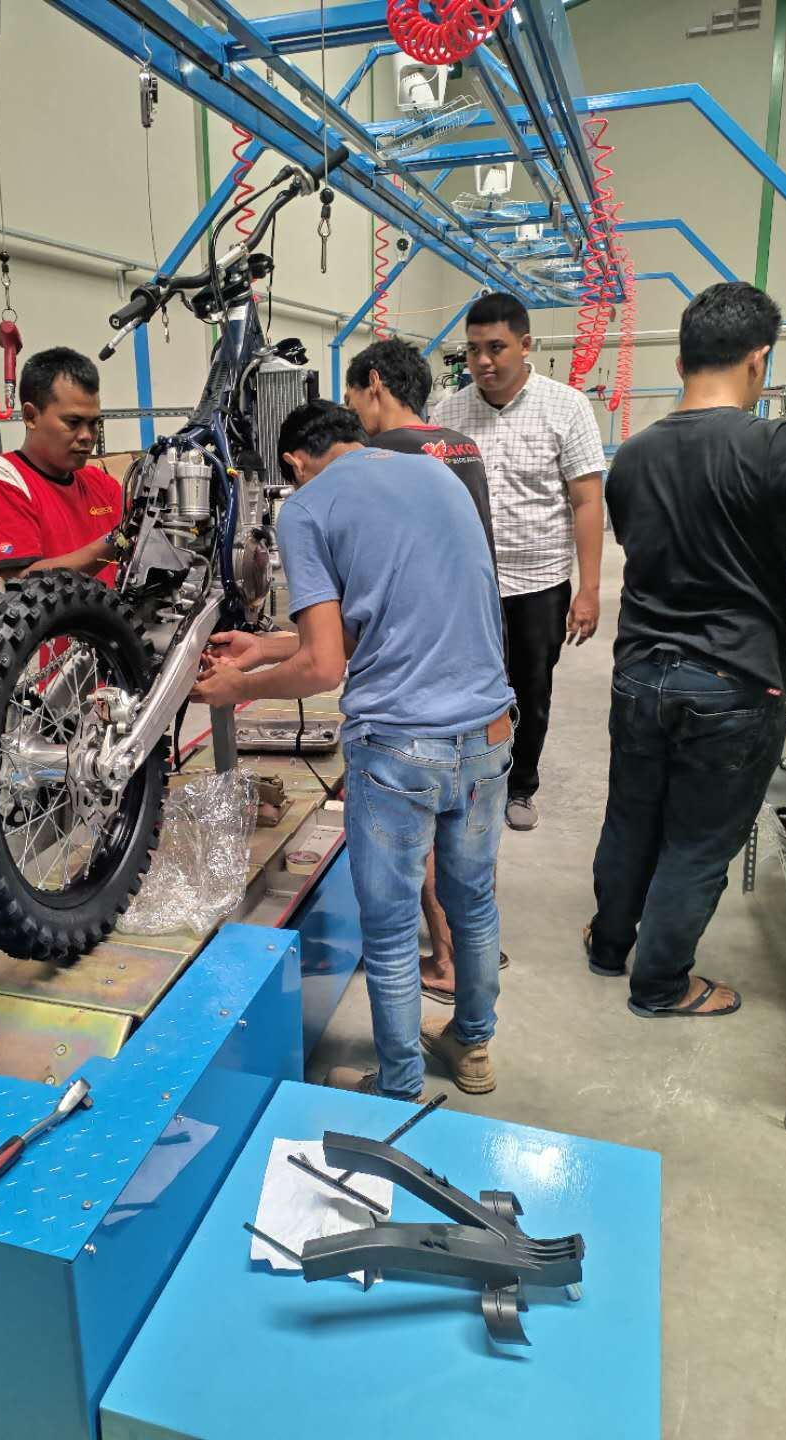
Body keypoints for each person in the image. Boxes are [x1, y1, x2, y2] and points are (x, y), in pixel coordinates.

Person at [193, 399, 514, 1098]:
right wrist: (263, 646)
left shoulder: (306, 509)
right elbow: (386, 622)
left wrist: (232, 688)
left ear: (292, 464)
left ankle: (396, 1086)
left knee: (393, 929)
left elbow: (322, 669)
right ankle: (473, 1045)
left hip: (401, 748)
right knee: (475, 904)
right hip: (488, 732)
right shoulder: (434, 476)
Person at [587, 281, 786, 1018]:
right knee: (696, 842)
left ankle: (609, 945)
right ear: (759, 358)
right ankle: (660, 984)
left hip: (641, 675)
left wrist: (779, 570)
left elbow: (683, 551)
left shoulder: (634, 457)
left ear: (683, 357)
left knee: (631, 817)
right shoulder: (775, 444)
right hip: (732, 683)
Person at [344, 336, 508, 1007]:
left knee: (427, 831)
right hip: (476, 650)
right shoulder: (458, 446)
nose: (355, 415)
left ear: (375, 384)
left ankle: (440, 958)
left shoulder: (387, 458)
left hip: (419, 672)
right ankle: (468, 962)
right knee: (468, 844)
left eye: (355, 398)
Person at [432, 293, 606, 831]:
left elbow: (586, 500)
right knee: (462, 685)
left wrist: (589, 589)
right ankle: (467, 780)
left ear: (526, 345)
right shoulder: (449, 414)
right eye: (474, 350)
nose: (484, 361)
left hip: (539, 583)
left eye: (497, 348)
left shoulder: (567, 407)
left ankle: (520, 784)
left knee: (531, 689)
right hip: (468, 585)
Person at [0, 346, 124, 607]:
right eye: (73, 422)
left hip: (103, 643)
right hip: (35, 646)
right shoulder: (1, 478)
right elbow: (26, 584)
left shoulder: (101, 484)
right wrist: (116, 540)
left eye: (94, 423)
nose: (87, 436)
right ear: (30, 416)